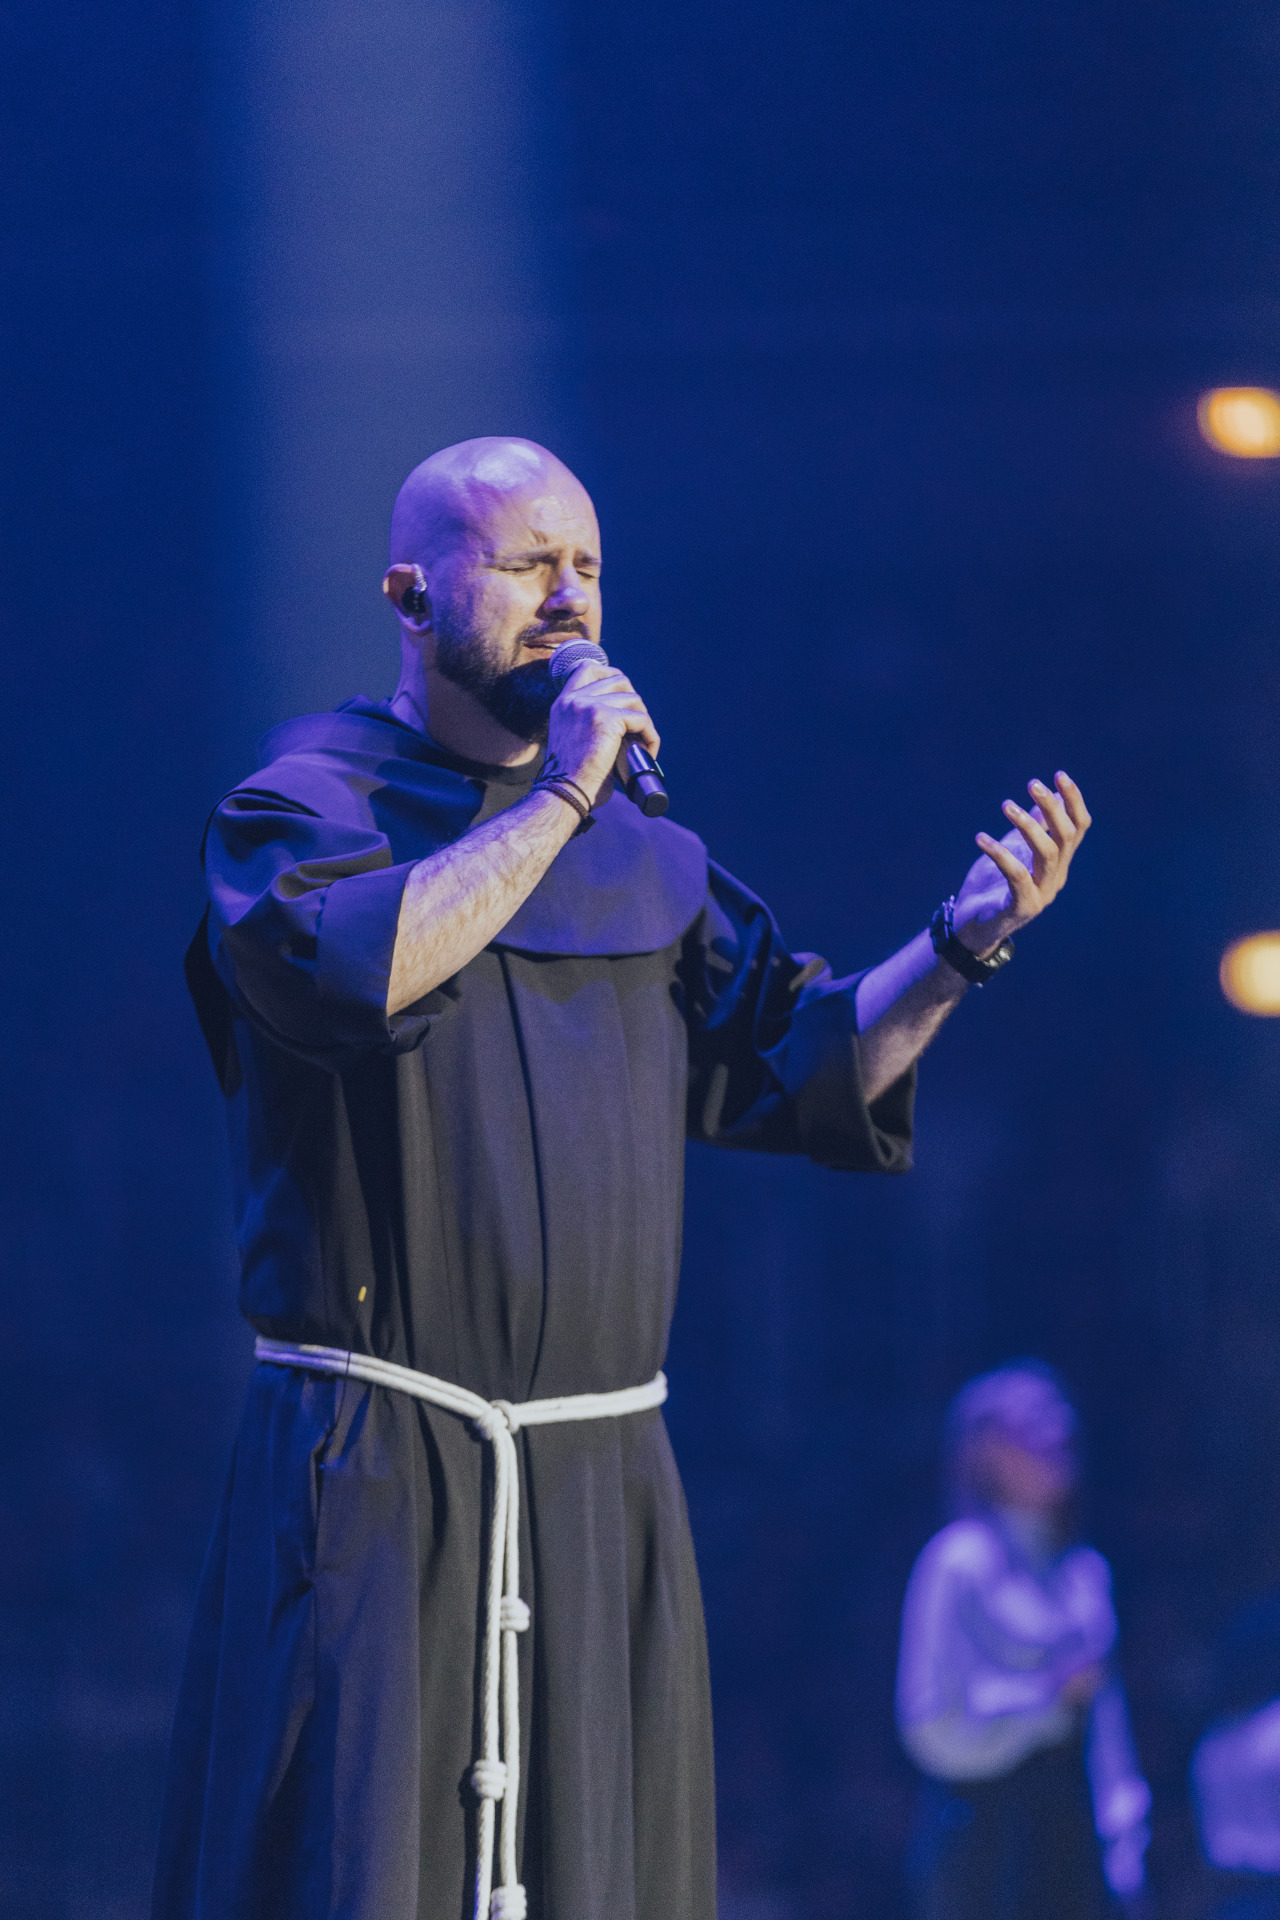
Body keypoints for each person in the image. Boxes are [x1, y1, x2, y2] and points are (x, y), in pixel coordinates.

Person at [153, 436, 1091, 1920]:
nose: (568, 599)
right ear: (409, 592)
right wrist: (558, 802)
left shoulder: (644, 854)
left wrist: (958, 946)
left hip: (599, 1485)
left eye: (587, 567)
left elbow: (799, 1060)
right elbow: (353, 978)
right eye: (526, 564)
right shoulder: (303, 808)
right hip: (378, 1473)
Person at [897, 1363, 1151, 1920]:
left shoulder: (1084, 1573)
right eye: (1034, 1419)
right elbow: (927, 1720)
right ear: (986, 1450)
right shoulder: (959, 1562)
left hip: (1070, 1835)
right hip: (984, 1836)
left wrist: (1125, 1838)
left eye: (1061, 1416)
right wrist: (1044, 1699)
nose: (1058, 1431)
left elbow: (1107, 1730)